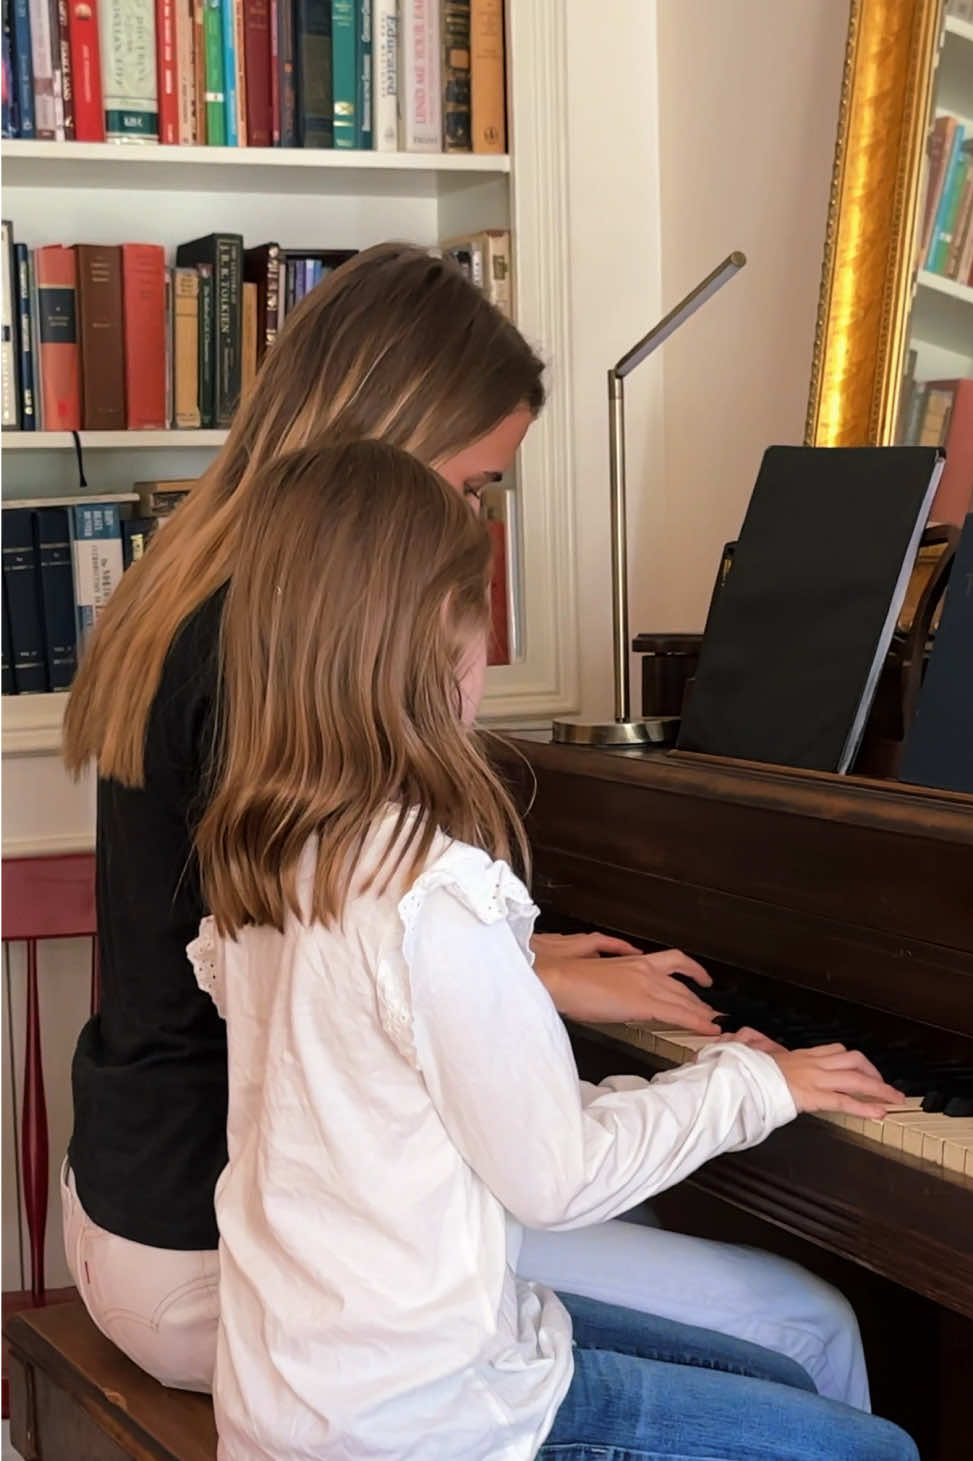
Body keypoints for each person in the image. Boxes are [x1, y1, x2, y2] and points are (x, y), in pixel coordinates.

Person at [64, 243, 870, 1407]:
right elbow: (357, 964)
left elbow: (300, 931)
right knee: (798, 1321)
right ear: (380, 455)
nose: (475, 527)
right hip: (229, 1262)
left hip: (135, 1198)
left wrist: (520, 963)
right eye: (473, 488)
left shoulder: (197, 595)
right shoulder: (267, 655)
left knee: (607, 1216)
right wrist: (523, 981)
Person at [180, 435, 917, 1460]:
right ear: (436, 640)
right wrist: (760, 1082)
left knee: (790, 1372)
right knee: (875, 1452)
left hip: (315, 1380)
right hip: (426, 1422)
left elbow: (465, 1116)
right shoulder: (423, 893)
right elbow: (555, 1179)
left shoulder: (280, 853)